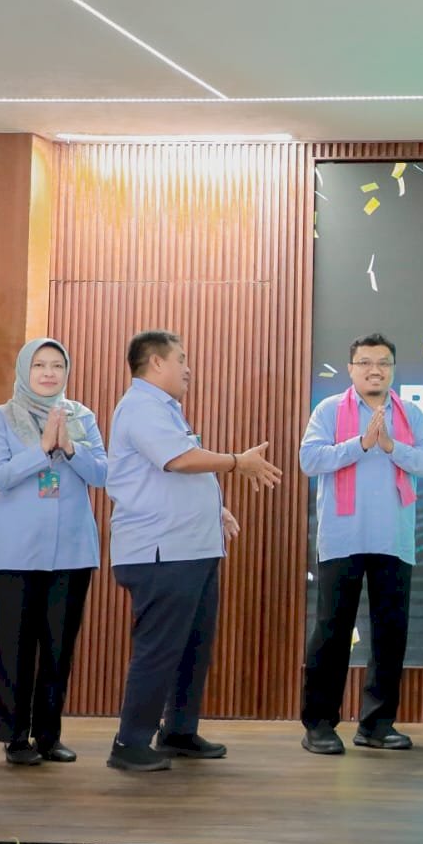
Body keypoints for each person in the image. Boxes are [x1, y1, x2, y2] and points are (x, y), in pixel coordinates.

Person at [105, 330, 282, 772]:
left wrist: (214, 508)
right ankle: (129, 743)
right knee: (159, 649)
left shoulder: (165, 409)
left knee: (192, 647)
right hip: (160, 552)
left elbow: (169, 474)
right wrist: (238, 461)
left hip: (190, 548)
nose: (188, 369)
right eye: (181, 359)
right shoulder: (142, 406)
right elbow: (179, 460)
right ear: (156, 362)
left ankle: (178, 731)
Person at [299, 333, 423, 754]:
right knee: (332, 632)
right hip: (342, 537)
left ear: (393, 369)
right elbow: (309, 459)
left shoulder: (411, 413)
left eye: (383, 363)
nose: (374, 370)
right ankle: (319, 725)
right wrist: (360, 444)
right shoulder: (328, 410)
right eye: (365, 362)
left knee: (389, 634)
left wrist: (392, 447)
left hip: (393, 538)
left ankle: (377, 725)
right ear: (351, 369)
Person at [0, 338, 107, 765]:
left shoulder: (82, 417)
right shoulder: (1, 416)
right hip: (13, 552)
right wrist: (41, 450)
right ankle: (15, 737)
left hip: (71, 551)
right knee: (14, 647)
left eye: (57, 365)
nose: (49, 373)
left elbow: (103, 473)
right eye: (39, 365)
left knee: (58, 649)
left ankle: (49, 736)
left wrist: (69, 446)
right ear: (25, 370)